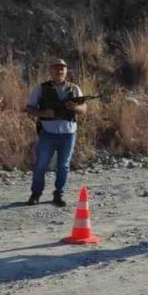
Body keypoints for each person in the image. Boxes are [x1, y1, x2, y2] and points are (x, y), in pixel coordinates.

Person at [23, 59, 86, 207]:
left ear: (66, 71)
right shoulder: (41, 88)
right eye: (56, 69)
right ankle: (36, 194)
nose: (59, 72)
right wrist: (44, 113)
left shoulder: (75, 89)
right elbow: (29, 109)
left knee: (63, 165)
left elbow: (84, 109)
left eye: (62, 69)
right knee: (40, 165)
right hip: (48, 134)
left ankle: (59, 194)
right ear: (51, 71)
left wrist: (75, 108)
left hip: (68, 134)